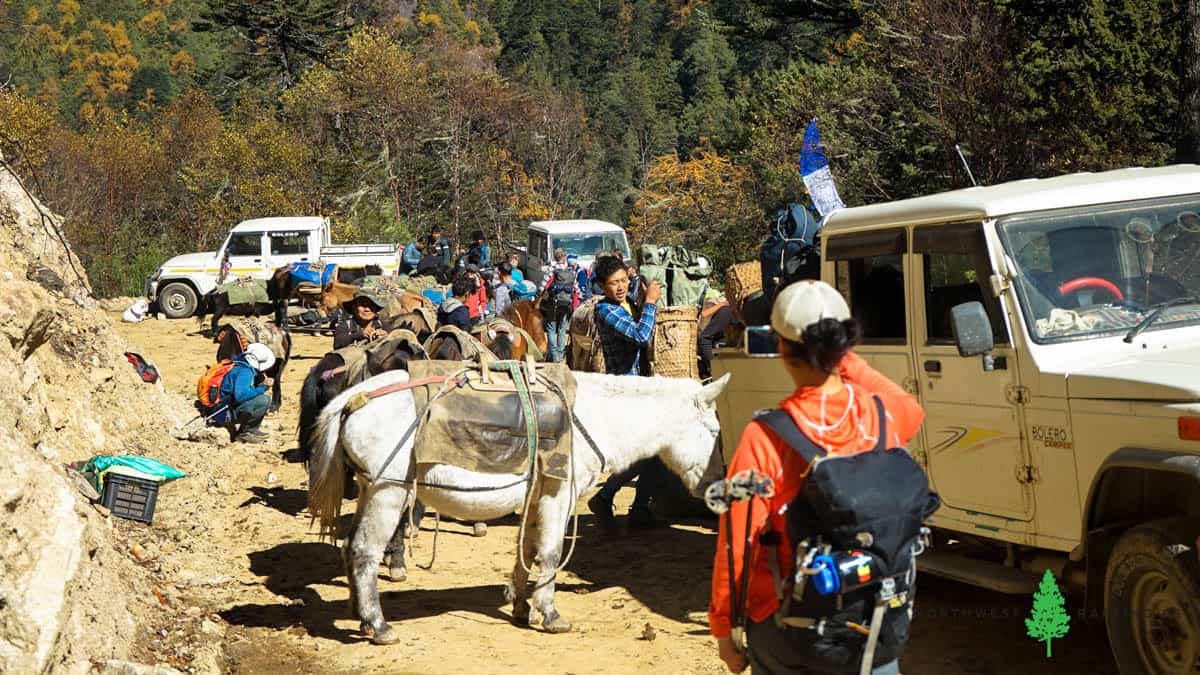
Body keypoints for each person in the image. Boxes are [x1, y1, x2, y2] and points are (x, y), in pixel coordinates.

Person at [708, 280, 925, 675]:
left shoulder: (766, 438)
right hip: (876, 609)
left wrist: (725, 629)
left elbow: (737, 545)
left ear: (780, 347)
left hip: (794, 626)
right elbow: (912, 411)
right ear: (845, 344)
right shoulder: (880, 416)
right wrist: (840, 357)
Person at [585, 256, 668, 529]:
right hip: (626, 391)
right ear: (600, 286)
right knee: (644, 453)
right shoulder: (607, 311)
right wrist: (652, 302)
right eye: (613, 283)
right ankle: (609, 497)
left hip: (640, 388)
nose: (621, 286)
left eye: (624, 280)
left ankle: (637, 507)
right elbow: (641, 336)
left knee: (651, 452)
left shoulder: (626, 304)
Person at [214, 342, 275, 444]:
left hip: (222, 407)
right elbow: (241, 396)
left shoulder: (239, 364)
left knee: (260, 399)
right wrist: (263, 387)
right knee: (264, 400)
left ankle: (251, 430)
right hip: (224, 413)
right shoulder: (245, 372)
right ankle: (246, 432)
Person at [540, 258, 582, 362]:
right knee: (562, 329)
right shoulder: (571, 272)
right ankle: (560, 354)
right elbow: (577, 290)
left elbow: (542, 287)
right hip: (567, 304)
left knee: (551, 328)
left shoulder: (551, 270)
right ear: (564, 260)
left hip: (553, 304)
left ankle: (554, 355)